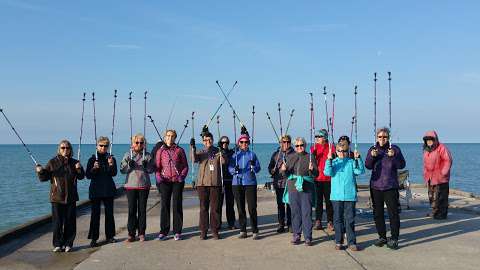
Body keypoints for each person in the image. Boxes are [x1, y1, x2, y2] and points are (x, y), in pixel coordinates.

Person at [36, 140, 85, 252]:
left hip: (71, 197)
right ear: (59, 149)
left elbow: (82, 176)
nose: (65, 150)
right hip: (56, 197)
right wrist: (40, 171)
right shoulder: (52, 162)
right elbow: (44, 178)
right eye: (63, 148)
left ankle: (68, 244)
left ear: (70, 149)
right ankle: (58, 244)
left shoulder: (74, 162)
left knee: (70, 222)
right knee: (57, 222)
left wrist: (79, 168)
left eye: (67, 148)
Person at [365, 127, 406, 250]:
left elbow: (402, 165)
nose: (382, 139)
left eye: (385, 137)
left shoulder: (394, 149)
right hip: (376, 186)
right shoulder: (373, 149)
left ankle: (394, 238)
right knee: (377, 213)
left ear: (388, 138)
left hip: (390, 186)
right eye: (380, 137)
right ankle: (382, 236)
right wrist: (372, 156)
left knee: (393, 213)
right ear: (376, 138)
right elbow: (367, 165)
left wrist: (393, 156)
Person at [324, 141, 365, 251]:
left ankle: (351, 242)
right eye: (339, 151)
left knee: (350, 219)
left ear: (348, 152)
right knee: (337, 220)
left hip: (350, 196)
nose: (342, 153)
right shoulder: (333, 162)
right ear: (336, 151)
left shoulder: (351, 162)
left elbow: (360, 171)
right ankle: (339, 241)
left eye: (344, 151)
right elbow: (327, 173)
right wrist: (328, 159)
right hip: (336, 197)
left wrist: (358, 158)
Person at [281, 137, 318, 246]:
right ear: (294, 147)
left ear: (305, 145)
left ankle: (308, 237)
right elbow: (286, 175)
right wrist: (283, 170)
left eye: (301, 145)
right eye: (297, 146)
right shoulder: (291, 157)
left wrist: (312, 170)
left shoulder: (311, 157)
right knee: (295, 212)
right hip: (293, 187)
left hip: (307, 188)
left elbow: (316, 174)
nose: (299, 147)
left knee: (307, 213)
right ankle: (296, 235)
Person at [154, 129, 189, 241]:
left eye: (172, 136)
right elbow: (157, 167)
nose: (170, 138)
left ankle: (177, 231)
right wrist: (158, 176)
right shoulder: (161, 151)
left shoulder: (180, 150)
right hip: (165, 181)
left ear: (175, 138)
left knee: (177, 205)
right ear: (165, 137)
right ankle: (164, 231)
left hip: (177, 181)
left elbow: (185, 166)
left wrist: (182, 176)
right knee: (165, 205)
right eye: (168, 136)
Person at [120, 133, 154, 242]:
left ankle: (142, 232)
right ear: (133, 143)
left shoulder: (147, 155)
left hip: (144, 186)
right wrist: (128, 165)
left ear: (144, 144)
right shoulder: (127, 155)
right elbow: (122, 170)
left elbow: (151, 170)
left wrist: (146, 165)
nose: (139, 144)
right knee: (132, 210)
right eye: (137, 142)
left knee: (142, 210)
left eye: (141, 143)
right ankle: (131, 233)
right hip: (131, 185)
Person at [191, 131, 225, 239]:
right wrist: (192, 148)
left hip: (215, 183)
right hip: (202, 184)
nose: (207, 142)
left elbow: (223, 162)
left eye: (209, 139)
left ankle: (215, 230)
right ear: (203, 141)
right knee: (203, 207)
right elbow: (193, 159)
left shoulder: (218, 151)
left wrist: (222, 152)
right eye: (205, 140)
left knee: (215, 208)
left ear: (213, 140)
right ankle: (203, 230)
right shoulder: (201, 152)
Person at [86, 136, 118, 247]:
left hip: (108, 190)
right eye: (101, 145)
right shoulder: (92, 159)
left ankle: (110, 236)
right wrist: (94, 168)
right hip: (95, 191)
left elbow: (114, 173)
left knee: (109, 214)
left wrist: (111, 164)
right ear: (97, 146)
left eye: (105, 146)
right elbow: (88, 176)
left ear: (108, 147)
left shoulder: (111, 158)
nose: (103, 148)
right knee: (95, 215)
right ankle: (94, 238)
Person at [228, 133, 261, 240]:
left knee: (252, 207)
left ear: (248, 143)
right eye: (242, 142)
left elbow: (258, 169)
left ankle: (255, 230)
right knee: (240, 208)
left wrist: (253, 166)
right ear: (238, 143)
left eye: (246, 142)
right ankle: (243, 230)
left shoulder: (252, 155)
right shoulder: (235, 155)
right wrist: (234, 170)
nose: (244, 144)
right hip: (237, 183)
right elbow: (230, 169)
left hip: (250, 183)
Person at [423, 131, 452, 220]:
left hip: (441, 178)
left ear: (435, 140)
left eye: (431, 140)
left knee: (441, 197)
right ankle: (435, 212)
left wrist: (443, 173)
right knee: (432, 197)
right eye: (427, 140)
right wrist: (425, 174)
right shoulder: (426, 150)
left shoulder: (442, 148)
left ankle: (442, 214)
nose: (429, 141)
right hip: (430, 177)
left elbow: (448, 161)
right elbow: (425, 164)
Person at [268, 134, 294, 233]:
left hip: (290, 183)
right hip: (279, 183)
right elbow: (270, 167)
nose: (286, 144)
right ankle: (281, 224)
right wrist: (272, 171)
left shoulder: (294, 154)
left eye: (288, 142)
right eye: (284, 142)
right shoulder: (275, 154)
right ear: (280, 143)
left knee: (290, 204)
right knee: (280, 204)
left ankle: (291, 224)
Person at [311, 129, 335, 231]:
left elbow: (334, 158)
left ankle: (330, 221)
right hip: (317, 178)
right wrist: (314, 153)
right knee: (318, 202)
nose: (317, 138)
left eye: (319, 136)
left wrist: (332, 155)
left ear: (324, 137)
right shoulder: (313, 147)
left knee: (329, 202)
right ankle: (318, 221)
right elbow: (311, 161)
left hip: (328, 179)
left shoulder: (331, 147)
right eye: (316, 136)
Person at [218, 136, 236, 230]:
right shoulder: (217, 153)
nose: (225, 144)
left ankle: (231, 223)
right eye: (222, 143)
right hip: (220, 181)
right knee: (218, 203)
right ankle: (218, 223)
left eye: (226, 143)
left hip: (230, 180)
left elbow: (233, 163)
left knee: (230, 203)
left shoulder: (232, 153)